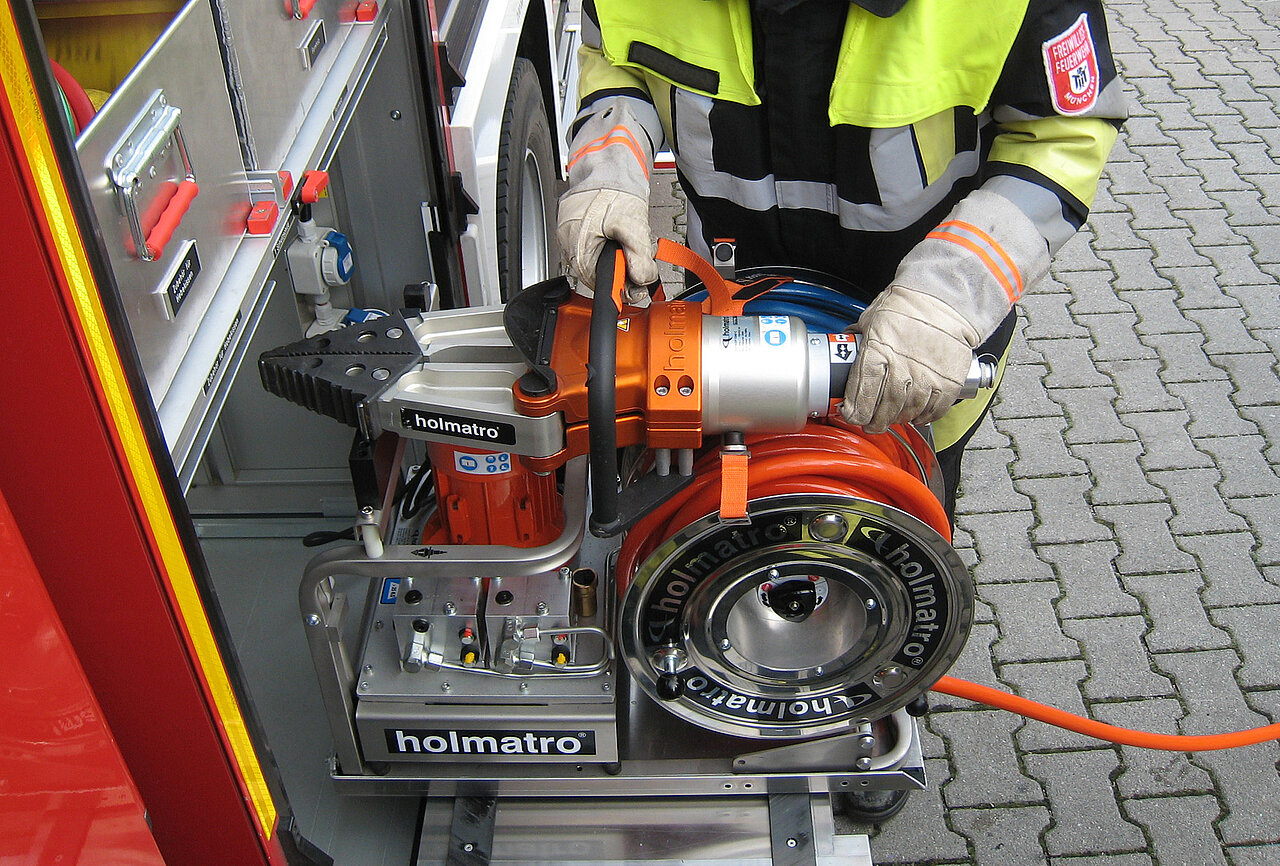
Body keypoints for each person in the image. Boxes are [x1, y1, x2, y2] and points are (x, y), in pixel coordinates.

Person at [557, 0, 1127, 525]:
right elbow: (617, 60)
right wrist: (607, 168)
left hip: (914, 357)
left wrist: (947, 296)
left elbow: (1060, 133)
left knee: (891, 547)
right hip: (721, 342)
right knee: (693, 545)